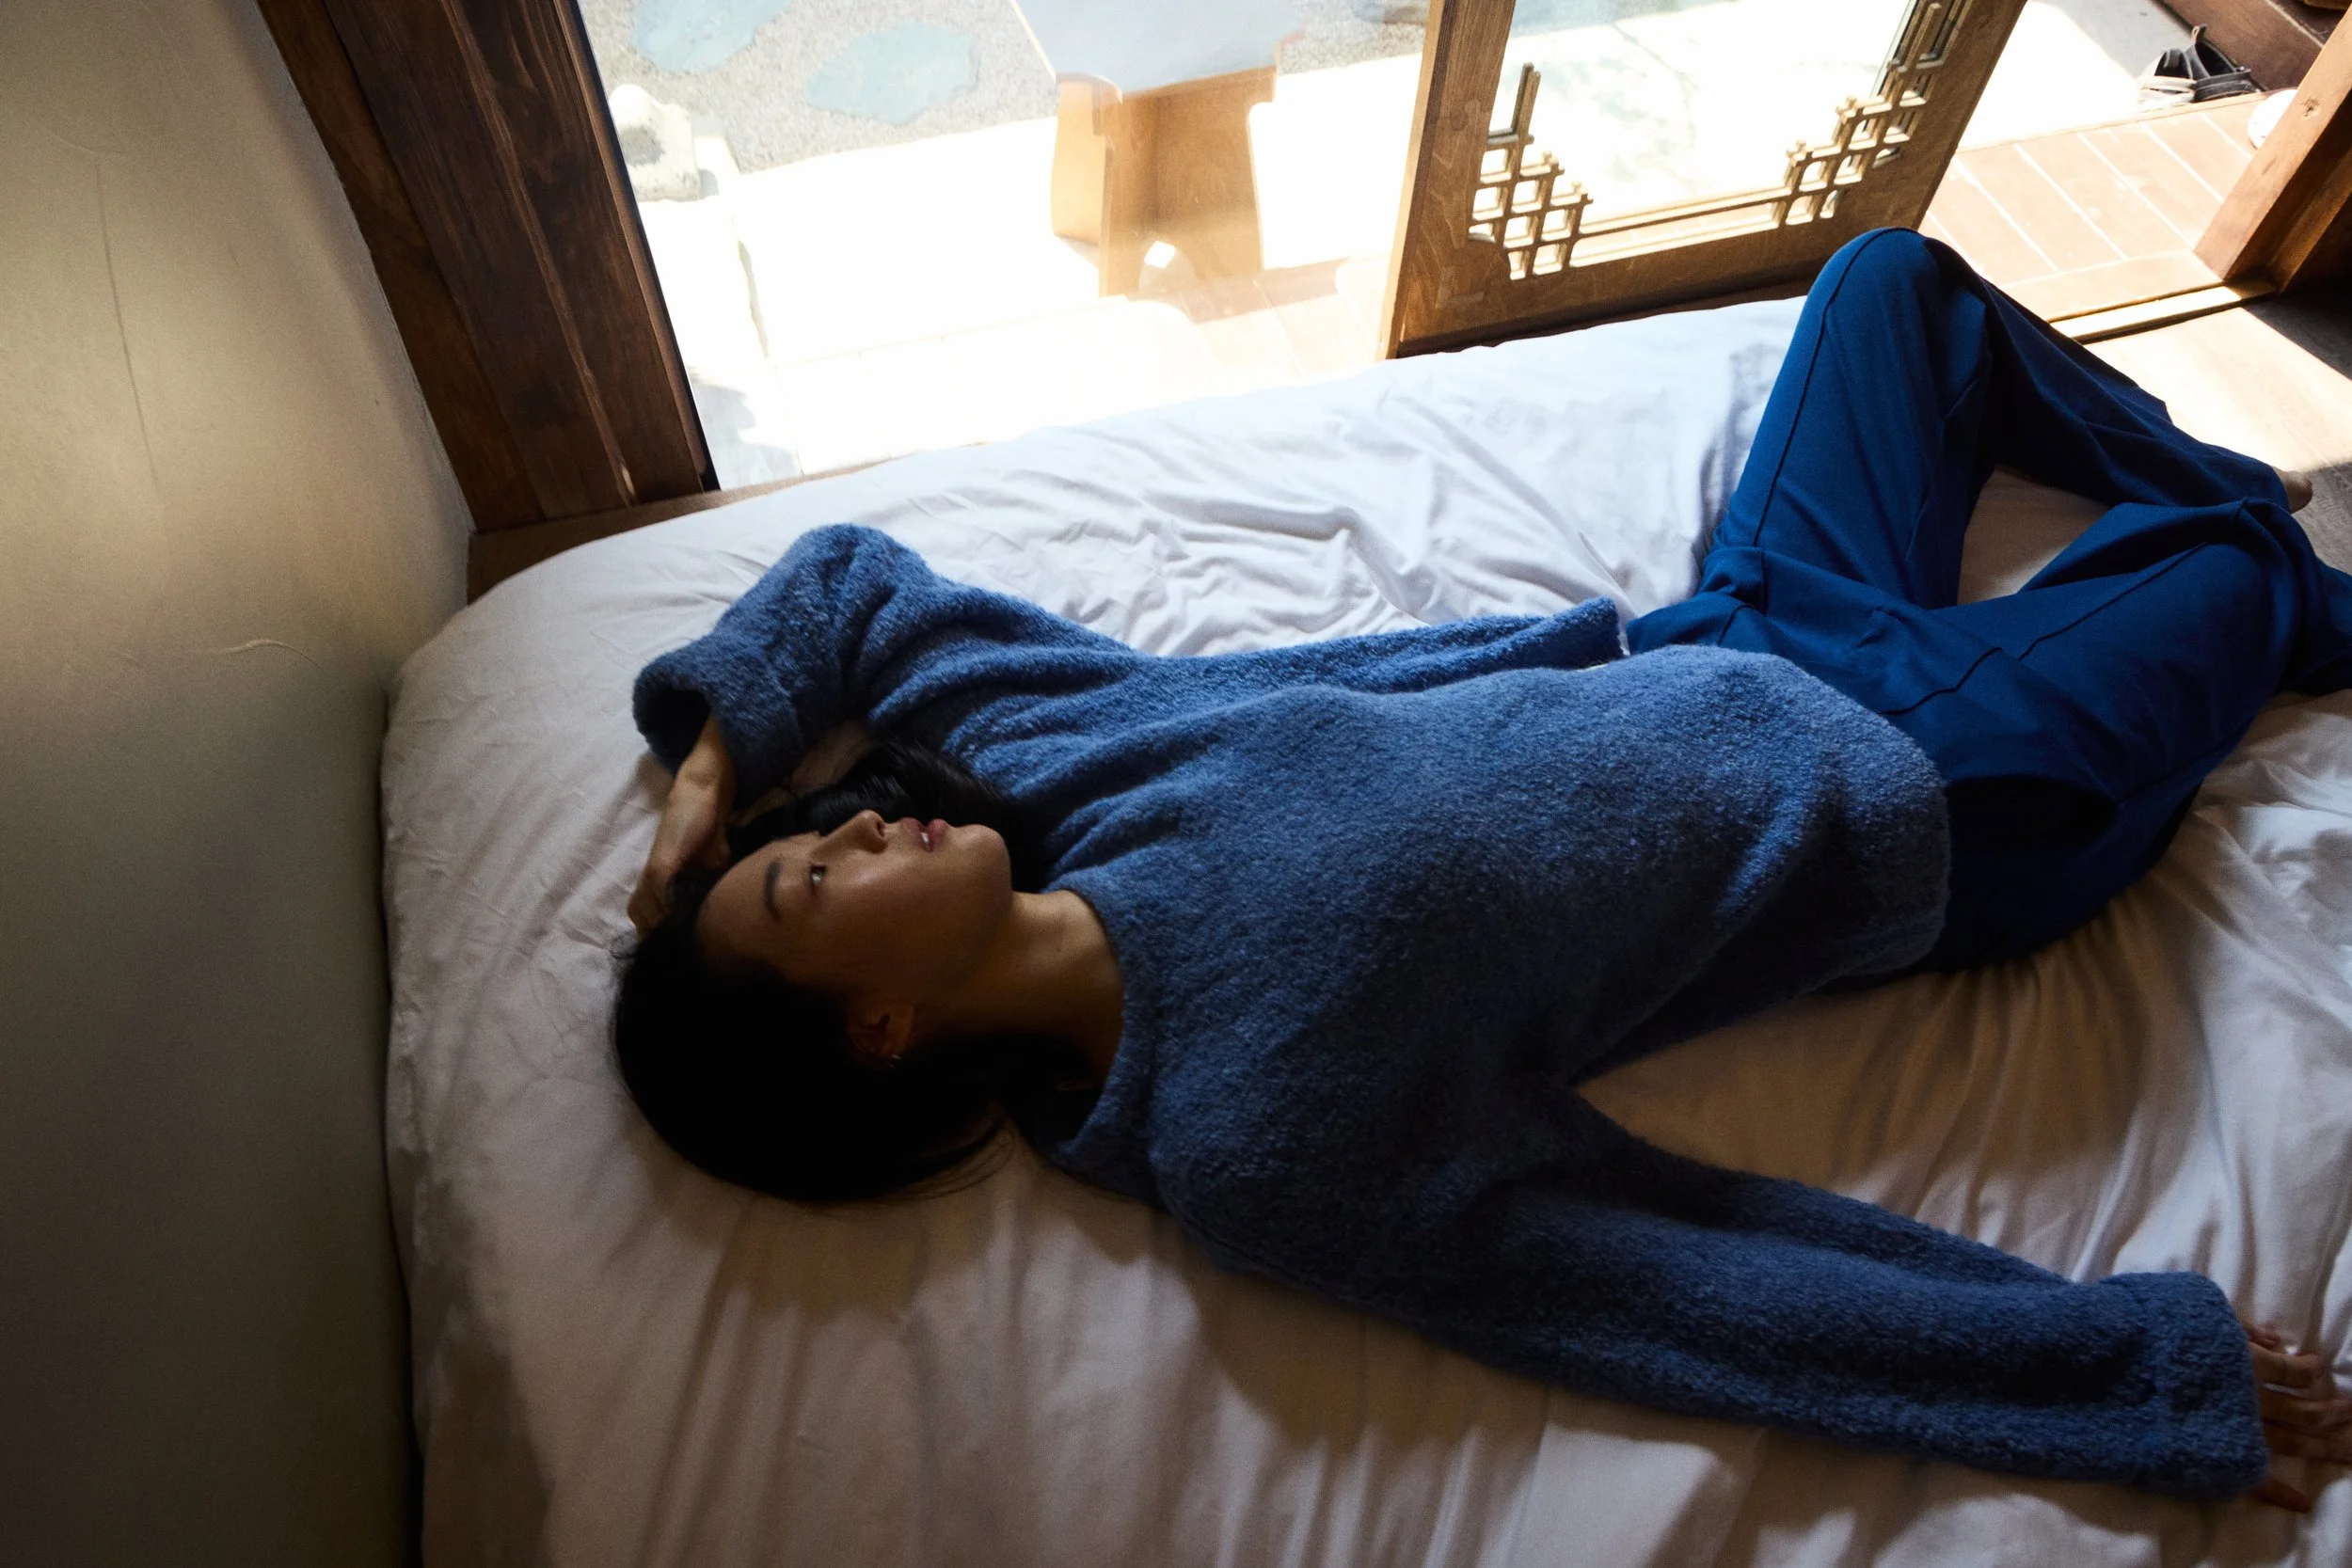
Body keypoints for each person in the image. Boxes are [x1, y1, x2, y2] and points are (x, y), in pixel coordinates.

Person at [618, 230, 2352, 1508]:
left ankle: (2253, 585)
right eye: (809, 888)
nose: (848, 824)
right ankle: (2299, 600)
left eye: (813, 830)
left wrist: (720, 751)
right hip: (1920, 790)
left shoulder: (1059, 765)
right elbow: (1670, 1280)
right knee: (2229, 546)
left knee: (1898, 286)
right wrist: (2116, 1369)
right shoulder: (1245, 1133)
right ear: (879, 1030)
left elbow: (852, 582)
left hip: (1733, 626)